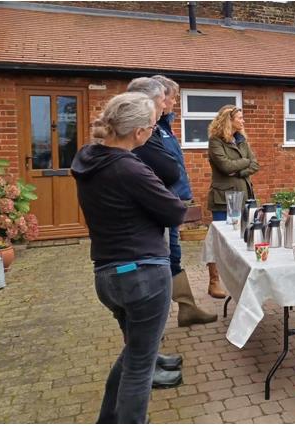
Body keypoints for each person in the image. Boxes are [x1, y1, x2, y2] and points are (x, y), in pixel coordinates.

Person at [72, 92, 187, 423]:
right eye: (152, 125)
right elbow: (174, 211)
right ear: (138, 132)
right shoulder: (128, 168)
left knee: (134, 354)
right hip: (143, 275)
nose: (154, 130)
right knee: (140, 366)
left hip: (107, 275)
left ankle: (107, 419)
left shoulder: (88, 158)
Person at [125, 77, 185, 389]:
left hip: (150, 227)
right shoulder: (138, 141)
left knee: (151, 301)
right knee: (145, 303)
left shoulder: (154, 131)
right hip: (138, 242)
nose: (167, 105)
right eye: (163, 100)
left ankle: (151, 355)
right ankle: (145, 366)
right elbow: (171, 168)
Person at [150, 75, 217, 327]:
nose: (176, 102)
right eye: (174, 97)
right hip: (162, 204)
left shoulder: (164, 126)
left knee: (174, 256)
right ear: (160, 98)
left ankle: (186, 309)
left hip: (172, 201)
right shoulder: (150, 129)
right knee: (164, 258)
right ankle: (154, 322)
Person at [206, 105, 260, 298]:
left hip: (245, 195)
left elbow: (255, 164)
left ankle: (240, 279)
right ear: (229, 120)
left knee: (243, 238)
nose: (243, 121)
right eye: (239, 117)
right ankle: (214, 282)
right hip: (223, 199)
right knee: (219, 241)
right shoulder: (215, 141)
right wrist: (244, 163)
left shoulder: (242, 140)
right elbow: (224, 166)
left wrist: (238, 169)